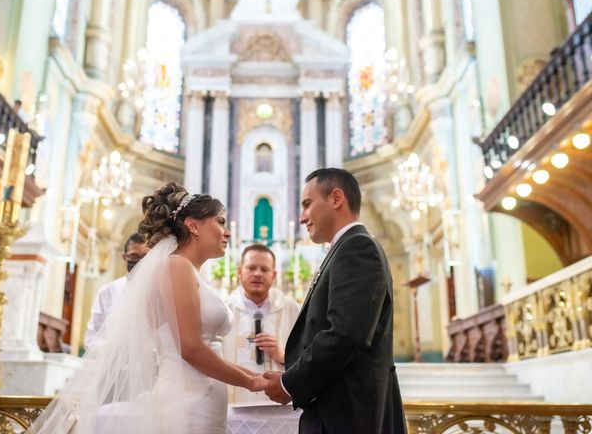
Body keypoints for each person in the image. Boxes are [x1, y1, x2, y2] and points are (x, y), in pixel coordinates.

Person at [28, 182, 265, 433]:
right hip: (188, 399)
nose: (226, 232)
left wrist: (255, 376)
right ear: (194, 226)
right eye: (220, 221)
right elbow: (190, 348)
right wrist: (250, 382)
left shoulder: (190, 271)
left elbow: (206, 349)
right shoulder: (178, 267)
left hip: (201, 394)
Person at [262, 168, 407, 434]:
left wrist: (288, 384)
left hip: (350, 417)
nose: (302, 216)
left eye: (307, 204)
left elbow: (345, 334)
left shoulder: (357, 248)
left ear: (336, 198)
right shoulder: (343, 249)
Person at [223, 244, 299, 403]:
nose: (257, 274)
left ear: (274, 275)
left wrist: (283, 356)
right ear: (239, 271)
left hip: (279, 403)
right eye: (251, 268)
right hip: (233, 402)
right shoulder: (224, 309)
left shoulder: (292, 310)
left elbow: (310, 356)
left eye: (264, 269)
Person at [84, 233, 148, 348]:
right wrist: (114, 350)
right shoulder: (107, 292)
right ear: (124, 258)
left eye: (144, 257)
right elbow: (91, 337)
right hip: (110, 362)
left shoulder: (157, 293)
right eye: (134, 256)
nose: (139, 261)